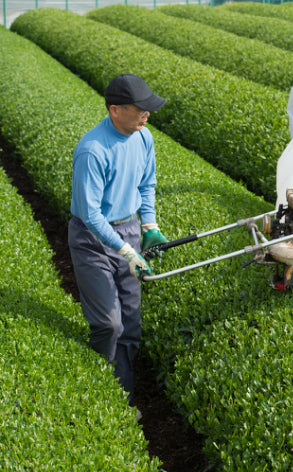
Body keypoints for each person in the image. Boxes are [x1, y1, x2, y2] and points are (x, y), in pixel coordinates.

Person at [68, 73, 168, 410]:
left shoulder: (143, 138)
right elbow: (91, 214)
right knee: (108, 325)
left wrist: (149, 224)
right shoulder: (92, 150)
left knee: (130, 322)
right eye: (140, 110)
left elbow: (147, 183)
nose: (146, 115)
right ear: (115, 110)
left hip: (128, 230)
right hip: (92, 240)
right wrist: (126, 251)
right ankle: (99, 393)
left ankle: (121, 397)